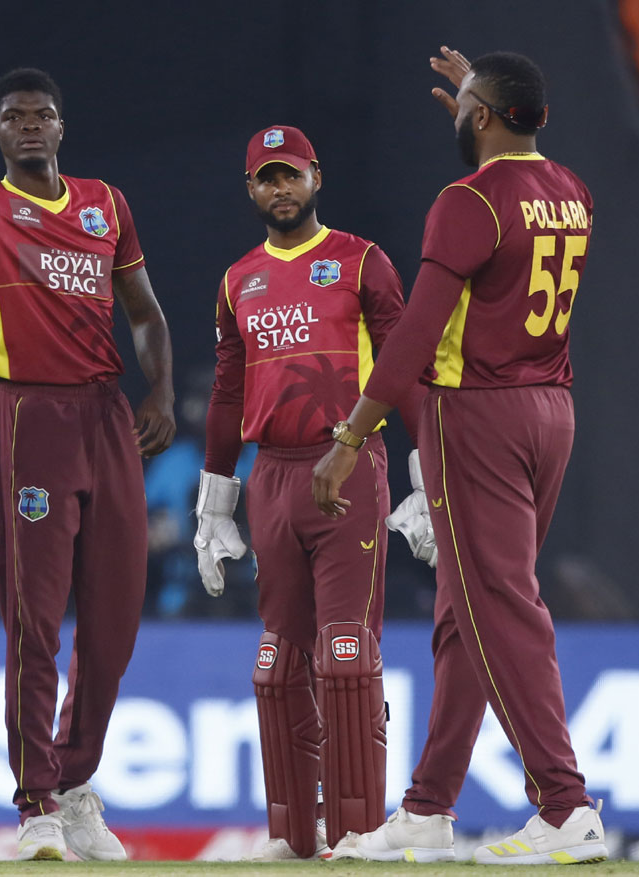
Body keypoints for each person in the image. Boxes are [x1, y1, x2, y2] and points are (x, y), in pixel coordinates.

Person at [311, 48, 607, 866]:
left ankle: (564, 803)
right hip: (551, 409)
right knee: (468, 609)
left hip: (475, 414)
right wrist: (489, 93)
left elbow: (411, 334)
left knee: (498, 606)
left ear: (481, 115)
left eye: (465, 106)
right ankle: (429, 808)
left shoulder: (468, 199)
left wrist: (350, 440)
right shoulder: (572, 191)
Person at [0, 23, 176, 862]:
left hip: (107, 416)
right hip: (29, 419)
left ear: (60, 126)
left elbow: (146, 311)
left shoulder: (105, 202)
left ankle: (76, 780)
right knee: (36, 616)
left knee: (117, 615)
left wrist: (159, 387)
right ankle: (36, 802)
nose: (27, 124)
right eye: (11, 115)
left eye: (40, 114)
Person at [193, 124, 428, 861]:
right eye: (266, 177)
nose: (280, 188)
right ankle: (294, 833)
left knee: (347, 654)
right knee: (279, 661)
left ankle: (359, 830)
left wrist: (423, 474)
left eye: (291, 174)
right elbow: (229, 393)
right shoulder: (238, 280)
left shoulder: (361, 262)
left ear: (316, 178)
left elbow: (402, 365)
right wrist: (215, 501)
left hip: (348, 466)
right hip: (272, 477)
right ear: (251, 190)